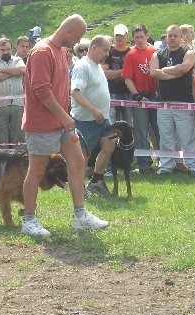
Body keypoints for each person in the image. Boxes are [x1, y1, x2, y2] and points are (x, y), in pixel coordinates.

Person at [21, 14, 108, 235]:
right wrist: (63, 115)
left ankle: (80, 215)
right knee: (37, 170)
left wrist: (64, 116)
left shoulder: (62, 52)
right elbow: (41, 89)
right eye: (77, 37)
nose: (78, 42)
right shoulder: (42, 51)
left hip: (62, 123)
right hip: (41, 123)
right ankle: (29, 220)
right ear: (68, 30)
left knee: (78, 161)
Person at [150, 24, 195, 176]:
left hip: (183, 102)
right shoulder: (158, 54)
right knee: (166, 137)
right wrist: (175, 72)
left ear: (181, 37)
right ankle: (166, 166)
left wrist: (165, 71)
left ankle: (194, 166)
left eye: (175, 35)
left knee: (188, 137)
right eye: (169, 35)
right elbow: (153, 73)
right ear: (166, 37)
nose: (172, 38)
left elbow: (184, 68)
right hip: (163, 103)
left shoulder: (189, 52)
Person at [71, 35, 116, 198]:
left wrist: (100, 112)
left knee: (110, 144)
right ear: (94, 47)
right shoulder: (82, 67)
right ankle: (79, 190)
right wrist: (93, 110)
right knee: (82, 157)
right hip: (85, 120)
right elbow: (75, 93)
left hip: (103, 118)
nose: (107, 54)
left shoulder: (97, 66)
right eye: (105, 50)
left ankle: (96, 180)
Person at [122, 24, 160, 174]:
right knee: (141, 132)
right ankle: (144, 164)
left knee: (159, 131)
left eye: (141, 37)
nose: (139, 40)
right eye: (136, 37)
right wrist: (137, 95)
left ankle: (164, 162)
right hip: (140, 97)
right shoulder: (131, 54)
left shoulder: (155, 52)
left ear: (147, 35)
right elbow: (127, 78)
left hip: (155, 95)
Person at [0, 38, 26, 148]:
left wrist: (2, 70)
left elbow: (23, 70)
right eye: (2, 50)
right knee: (1, 139)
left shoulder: (18, 60)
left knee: (18, 137)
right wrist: (14, 72)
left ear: (12, 48)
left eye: (8, 49)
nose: (5, 52)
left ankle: (18, 162)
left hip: (18, 104)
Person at [104, 24, 133, 125]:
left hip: (128, 91)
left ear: (127, 36)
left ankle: (130, 141)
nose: (118, 37)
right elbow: (105, 74)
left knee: (129, 121)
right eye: (116, 35)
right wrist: (125, 72)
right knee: (112, 121)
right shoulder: (108, 52)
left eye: (121, 35)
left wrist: (115, 73)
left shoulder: (131, 52)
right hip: (112, 90)